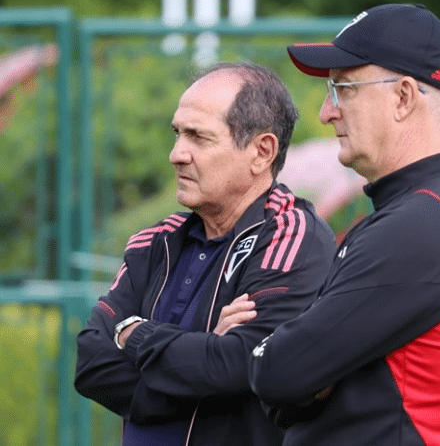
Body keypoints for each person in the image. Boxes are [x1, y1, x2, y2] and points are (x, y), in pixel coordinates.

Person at [248, 3, 440, 446]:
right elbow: (296, 384)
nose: (328, 112)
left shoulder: (422, 224)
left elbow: (278, 373)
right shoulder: (437, 203)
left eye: (344, 88)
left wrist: (263, 348)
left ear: (404, 97)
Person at [74, 62, 337, 446]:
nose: (176, 154)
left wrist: (134, 333)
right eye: (178, 134)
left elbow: (241, 363)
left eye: (198, 137)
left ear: (262, 152)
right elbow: (91, 365)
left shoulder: (294, 235)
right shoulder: (154, 242)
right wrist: (204, 355)